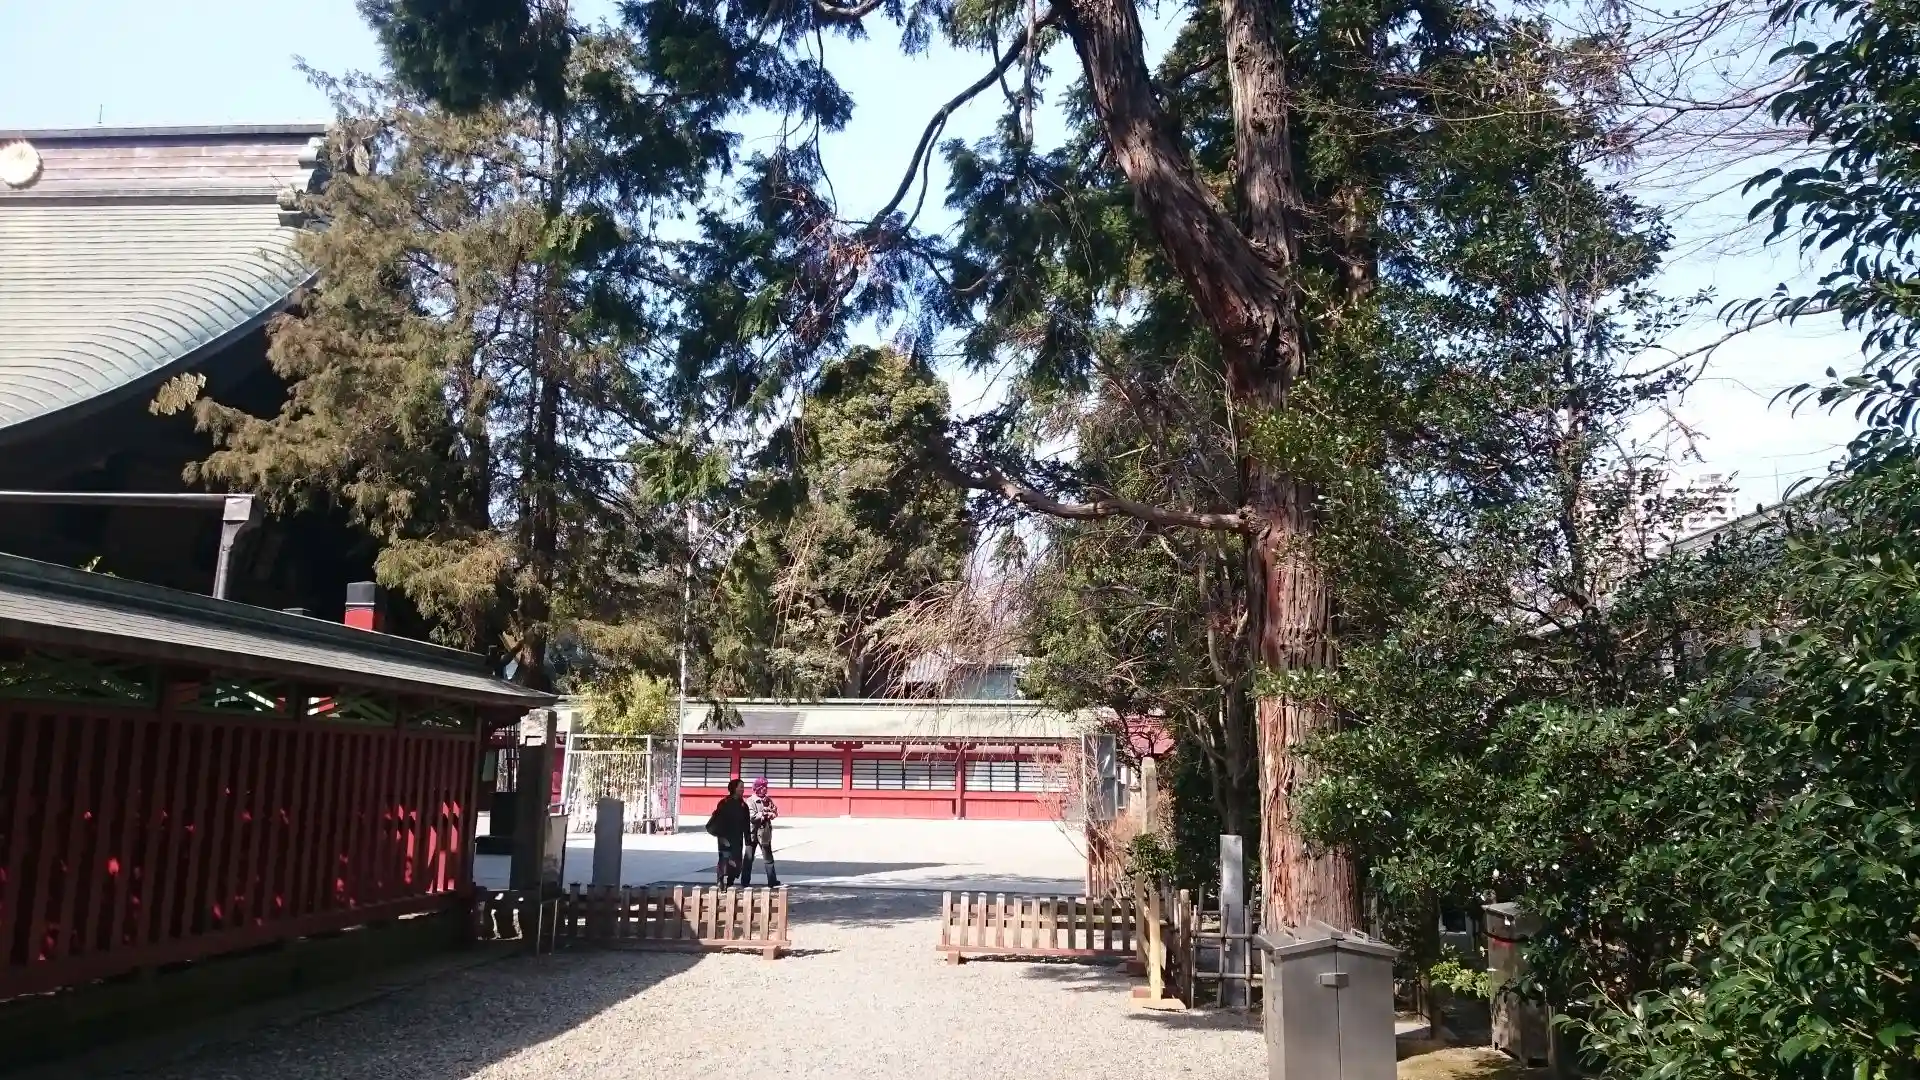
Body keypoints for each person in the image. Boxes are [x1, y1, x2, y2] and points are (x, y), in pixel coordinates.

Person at [705, 779, 750, 887]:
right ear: (734, 788)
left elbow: (746, 824)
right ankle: (720, 880)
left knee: (736, 861)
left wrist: (748, 839)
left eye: (743, 787)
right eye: (741, 787)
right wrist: (721, 836)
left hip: (737, 838)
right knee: (724, 859)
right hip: (724, 836)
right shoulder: (724, 803)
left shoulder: (743, 805)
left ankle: (730, 882)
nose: (743, 789)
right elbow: (718, 820)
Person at [740, 776, 781, 887]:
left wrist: (773, 814)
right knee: (748, 858)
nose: (765, 789)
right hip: (752, 833)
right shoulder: (750, 801)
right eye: (763, 787)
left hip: (764, 833)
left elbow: (775, 811)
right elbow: (751, 817)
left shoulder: (768, 800)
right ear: (757, 788)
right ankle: (745, 882)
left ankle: (772, 881)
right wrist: (764, 813)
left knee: (768, 858)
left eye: (766, 786)